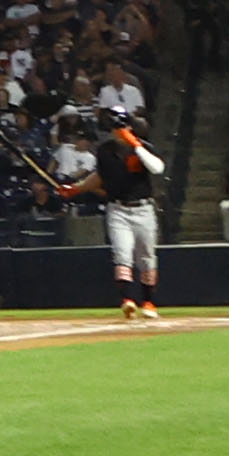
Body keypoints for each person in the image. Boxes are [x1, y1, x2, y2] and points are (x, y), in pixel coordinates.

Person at [98, 104, 166, 319]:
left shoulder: (143, 147)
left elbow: (157, 168)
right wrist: (76, 189)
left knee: (147, 256)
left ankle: (149, 301)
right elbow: (101, 178)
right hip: (119, 208)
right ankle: (127, 300)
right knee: (122, 252)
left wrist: (134, 144)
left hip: (143, 208)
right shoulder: (105, 150)